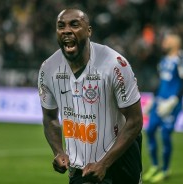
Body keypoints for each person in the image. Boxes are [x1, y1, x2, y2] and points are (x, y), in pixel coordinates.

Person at [38, 8, 143, 184]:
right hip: (81, 167)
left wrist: (104, 163)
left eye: (74, 24)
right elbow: (49, 118)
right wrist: (58, 151)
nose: (66, 30)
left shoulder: (115, 65)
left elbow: (135, 120)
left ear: (89, 31)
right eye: (61, 26)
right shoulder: (48, 69)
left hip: (121, 161)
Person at [143, 33, 183, 183]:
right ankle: (155, 165)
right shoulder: (163, 60)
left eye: (167, 41)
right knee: (149, 131)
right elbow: (161, 82)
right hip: (159, 102)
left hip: (171, 104)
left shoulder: (181, 61)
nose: (164, 43)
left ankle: (165, 169)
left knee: (165, 135)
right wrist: (152, 99)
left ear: (175, 44)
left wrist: (173, 101)